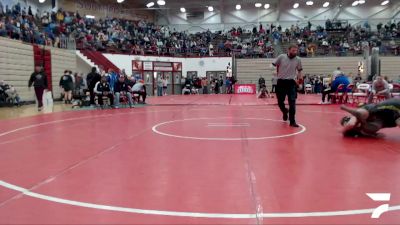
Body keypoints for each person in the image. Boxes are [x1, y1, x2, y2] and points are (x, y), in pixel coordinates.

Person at [272, 44, 303, 127]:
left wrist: (300, 82)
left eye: (296, 51)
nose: (295, 52)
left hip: (291, 83)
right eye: (293, 51)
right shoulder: (281, 57)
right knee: (280, 102)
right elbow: (273, 65)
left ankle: (292, 121)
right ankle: (285, 111)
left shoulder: (298, 59)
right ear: (288, 50)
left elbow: (299, 71)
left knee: (292, 103)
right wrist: (273, 72)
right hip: (281, 82)